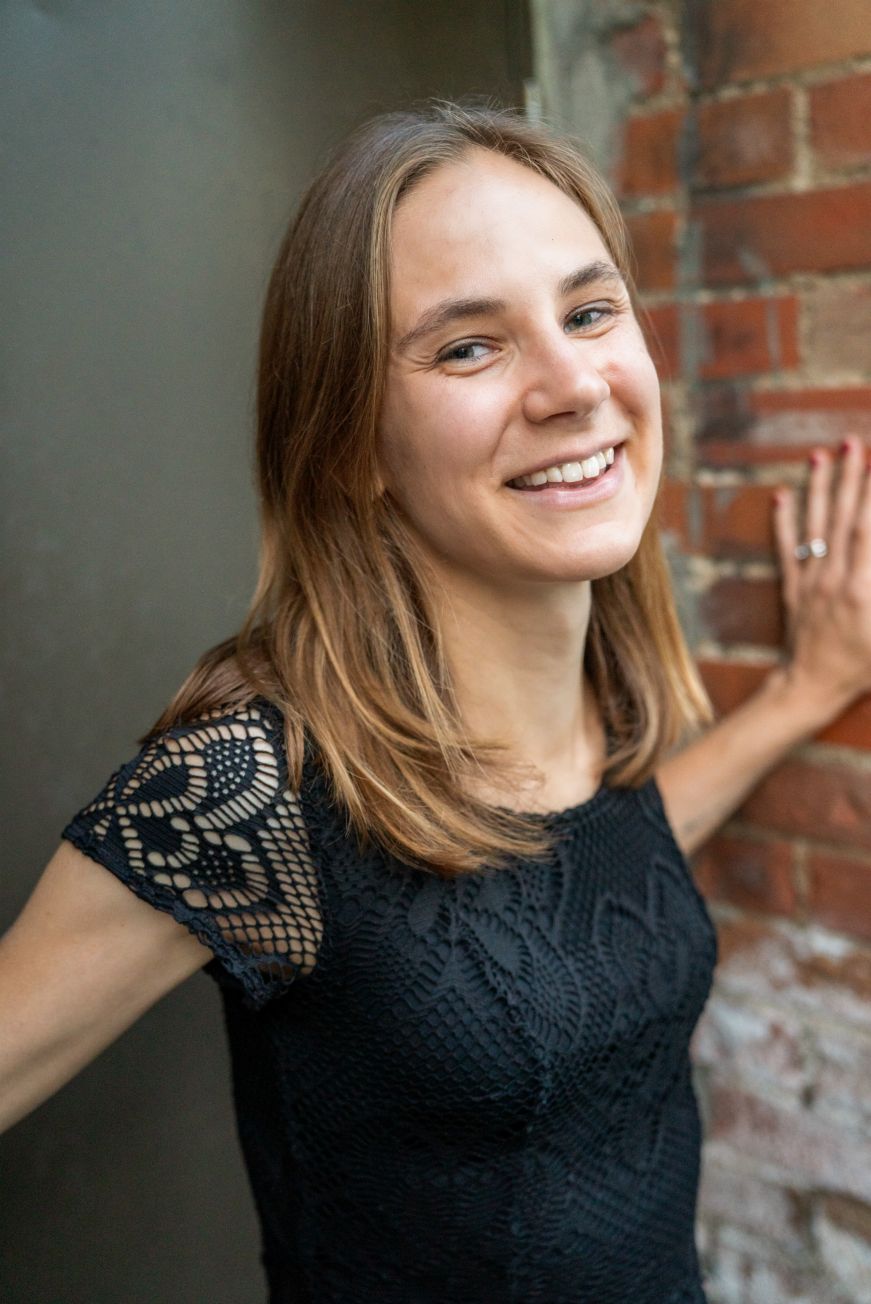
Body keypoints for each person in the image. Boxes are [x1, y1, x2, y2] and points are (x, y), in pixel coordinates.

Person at [2, 101, 870, 1304]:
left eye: (588, 309)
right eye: (469, 345)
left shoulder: (593, 702)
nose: (572, 383)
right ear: (352, 440)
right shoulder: (251, 788)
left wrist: (802, 693)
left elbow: (585, 870)